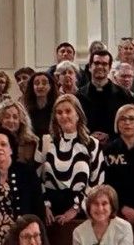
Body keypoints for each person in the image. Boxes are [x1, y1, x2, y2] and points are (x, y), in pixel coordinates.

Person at [39, 94, 104, 224]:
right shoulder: (46, 142)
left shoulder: (92, 144)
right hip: (49, 213)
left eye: (68, 111)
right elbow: (38, 178)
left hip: (81, 212)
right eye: (59, 112)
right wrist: (44, 206)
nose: (64, 116)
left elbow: (96, 184)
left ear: (78, 114)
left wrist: (76, 208)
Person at [80, 50, 134, 141]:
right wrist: (89, 136)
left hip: (115, 145)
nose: (100, 67)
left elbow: (129, 123)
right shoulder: (80, 95)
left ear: (109, 68)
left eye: (104, 64)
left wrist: (110, 137)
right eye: (96, 63)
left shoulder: (123, 95)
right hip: (85, 144)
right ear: (90, 67)